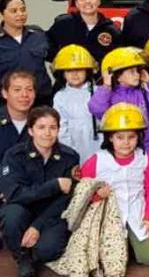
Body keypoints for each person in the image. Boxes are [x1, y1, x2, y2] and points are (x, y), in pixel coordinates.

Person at [79, 103, 149, 266]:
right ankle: (123, 245)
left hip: (138, 210)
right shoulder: (96, 160)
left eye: (131, 137)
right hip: (109, 215)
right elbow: (81, 191)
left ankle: (133, 243)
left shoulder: (145, 157)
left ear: (139, 136)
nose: (126, 143)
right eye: (120, 137)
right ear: (110, 137)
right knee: (112, 263)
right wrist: (96, 196)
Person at [0, 106, 79, 277]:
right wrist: (53, 186)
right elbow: (13, 194)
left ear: (58, 129)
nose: (47, 133)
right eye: (41, 127)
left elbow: (65, 200)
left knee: (49, 250)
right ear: (30, 130)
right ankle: (23, 258)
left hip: (51, 214)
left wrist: (37, 226)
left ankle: (33, 250)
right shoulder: (14, 156)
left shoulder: (70, 157)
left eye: (53, 127)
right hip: (22, 209)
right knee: (11, 215)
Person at [89, 47, 149, 157]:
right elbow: (97, 109)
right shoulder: (109, 94)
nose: (137, 75)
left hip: (147, 145)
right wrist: (106, 85)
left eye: (137, 71)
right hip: (121, 148)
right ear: (118, 76)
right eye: (132, 72)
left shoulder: (141, 93)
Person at [46, 0, 122, 64]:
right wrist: (60, 61)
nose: (87, 2)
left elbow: (119, 59)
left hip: (100, 76)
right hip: (70, 75)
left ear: (98, 1)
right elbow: (46, 45)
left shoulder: (112, 31)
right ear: (76, 4)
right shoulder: (63, 24)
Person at [0, 0, 52, 105]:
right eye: (14, 11)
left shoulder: (38, 35)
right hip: (7, 105)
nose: (20, 14)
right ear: (2, 14)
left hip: (41, 101)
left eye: (23, 10)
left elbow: (55, 58)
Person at [51, 44, 99, 162]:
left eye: (79, 69)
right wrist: (69, 152)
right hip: (74, 148)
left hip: (100, 148)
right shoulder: (60, 97)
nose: (74, 74)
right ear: (62, 73)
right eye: (69, 70)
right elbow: (61, 128)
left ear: (87, 71)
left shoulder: (98, 91)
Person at [0, 70, 36, 160]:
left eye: (29, 90)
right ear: (4, 93)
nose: (24, 95)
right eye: (17, 90)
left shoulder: (42, 123)